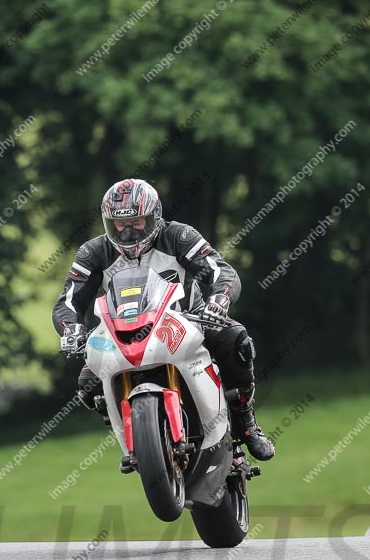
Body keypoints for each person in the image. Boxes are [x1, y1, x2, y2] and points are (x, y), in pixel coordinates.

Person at [52, 178, 274, 462]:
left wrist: (219, 300)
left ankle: (246, 421)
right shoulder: (92, 252)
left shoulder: (179, 236)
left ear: (155, 216)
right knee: (87, 383)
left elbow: (220, 271)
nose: (128, 232)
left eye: (137, 222)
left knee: (236, 339)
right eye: (119, 225)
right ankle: (140, 435)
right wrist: (71, 328)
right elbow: (69, 300)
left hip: (189, 321)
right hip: (122, 333)